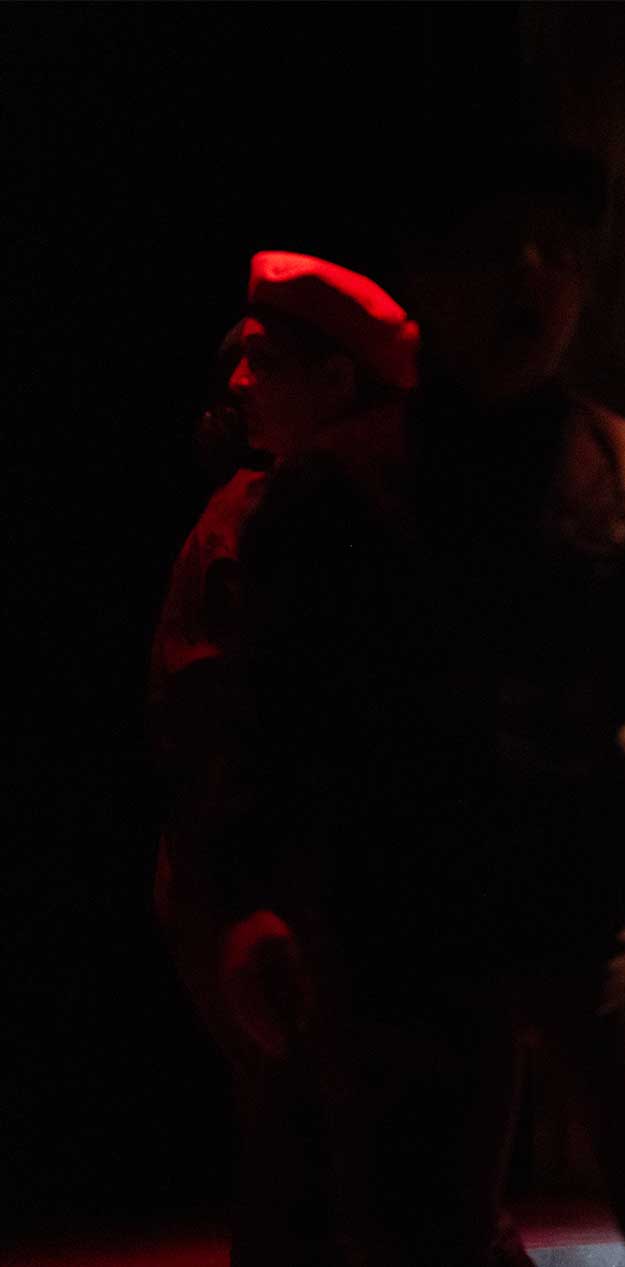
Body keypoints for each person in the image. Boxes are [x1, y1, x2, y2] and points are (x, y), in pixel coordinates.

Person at [213, 142, 625, 1266]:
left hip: (605, 872)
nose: (530, 279)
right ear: (430, 274)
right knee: (416, 1221)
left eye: (556, 253)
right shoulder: (334, 491)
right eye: (497, 251)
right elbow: (269, 710)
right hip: (407, 889)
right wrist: (248, 897)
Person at [148, 252, 420, 1263]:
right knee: (304, 1143)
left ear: (336, 380)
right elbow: (206, 726)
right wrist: (246, 893)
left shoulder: (380, 515)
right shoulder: (247, 523)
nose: (236, 382)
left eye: (262, 361)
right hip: (264, 892)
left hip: (337, 894)